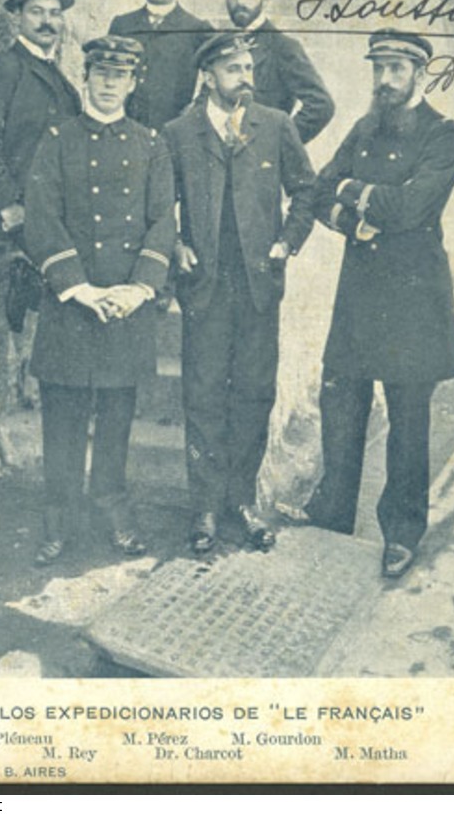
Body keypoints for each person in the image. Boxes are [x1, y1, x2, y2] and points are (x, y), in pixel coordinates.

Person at [304, 29, 454, 579]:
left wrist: (357, 191)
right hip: (360, 292)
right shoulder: (363, 127)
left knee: (408, 418)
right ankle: (332, 516)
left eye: (397, 70)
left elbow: (410, 206)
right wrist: (355, 216)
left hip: (414, 298)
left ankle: (401, 532)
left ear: (421, 74)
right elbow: (320, 190)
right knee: (342, 405)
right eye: (379, 69)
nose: (386, 81)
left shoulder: (444, 135)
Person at [23, 35, 176, 566]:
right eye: (101, 74)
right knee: (62, 416)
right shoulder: (57, 139)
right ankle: (58, 518)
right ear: (86, 77)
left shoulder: (151, 143)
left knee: (116, 415)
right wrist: (81, 289)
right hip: (72, 300)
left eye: (121, 76)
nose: (110, 84)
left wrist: (138, 289)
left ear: (134, 84)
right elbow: (41, 214)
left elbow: (163, 219)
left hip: (126, 304)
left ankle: (113, 508)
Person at [164, 31, 316, 555]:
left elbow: (306, 190)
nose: (245, 78)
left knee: (254, 392)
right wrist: (176, 244)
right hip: (205, 284)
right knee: (203, 393)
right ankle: (205, 506)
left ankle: (243, 502)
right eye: (234, 69)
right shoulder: (179, 133)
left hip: (258, 283)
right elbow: (160, 203)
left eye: (249, 67)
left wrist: (286, 242)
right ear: (208, 76)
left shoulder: (274, 125)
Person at [0, 0, 82, 332]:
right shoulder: (4, 66)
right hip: (23, 210)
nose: (47, 21)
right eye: (36, 12)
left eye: (55, 14)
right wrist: (8, 203)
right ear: (17, 19)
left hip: (55, 207)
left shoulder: (59, 77)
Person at [205, 0, 334, 144]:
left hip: (261, 167)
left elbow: (321, 105)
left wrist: (278, 144)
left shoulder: (282, 47)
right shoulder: (221, 45)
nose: (240, 1)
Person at [109, 0, 213, 130]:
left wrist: (196, 108)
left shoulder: (197, 28)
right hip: (123, 129)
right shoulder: (122, 25)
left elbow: (215, 76)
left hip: (172, 132)